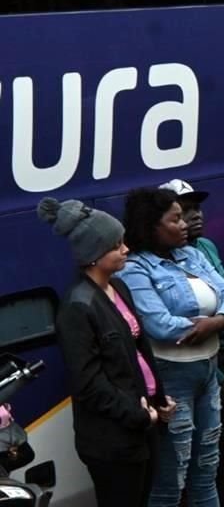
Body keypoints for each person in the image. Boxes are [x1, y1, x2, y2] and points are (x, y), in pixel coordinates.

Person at [41, 198, 175, 507]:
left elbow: (138, 352)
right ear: (93, 256)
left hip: (144, 425)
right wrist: (137, 414)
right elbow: (88, 383)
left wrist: (158, 400)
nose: (126, 249)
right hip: (113, 440)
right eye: (116, 246)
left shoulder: (119, 289)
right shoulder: (78, 307)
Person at [120, 187, 224, 507]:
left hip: (208, 371)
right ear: (152, 226)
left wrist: (215, 323)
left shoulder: (193, 254)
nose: (185, 224)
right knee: (171, 476)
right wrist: (215, 321)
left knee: (207, 468)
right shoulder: (136, 268)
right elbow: (158, 324)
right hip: (172, 377)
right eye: (175, 219)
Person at [159, 179, 224, 277]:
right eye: (185, 210)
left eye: (197, 208)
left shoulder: (206, 245)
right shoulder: (161, 259)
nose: (196, 215)